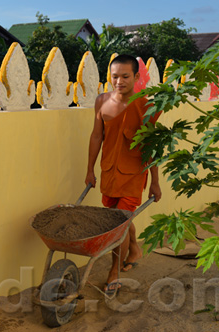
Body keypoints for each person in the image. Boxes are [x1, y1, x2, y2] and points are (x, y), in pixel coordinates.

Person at [84, 54, 162, 296]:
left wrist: (155, 182)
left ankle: (114, 272)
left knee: (118, 223)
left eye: (125, 76)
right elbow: (97, 136)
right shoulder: (102, 101)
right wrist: (89, 169)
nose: (119, 81)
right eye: (114, 76)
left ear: (136, 77)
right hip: (108, 171)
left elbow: (151, 146)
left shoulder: (146, 106)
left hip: (133, 174)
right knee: (117, 219)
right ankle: (135, 249)